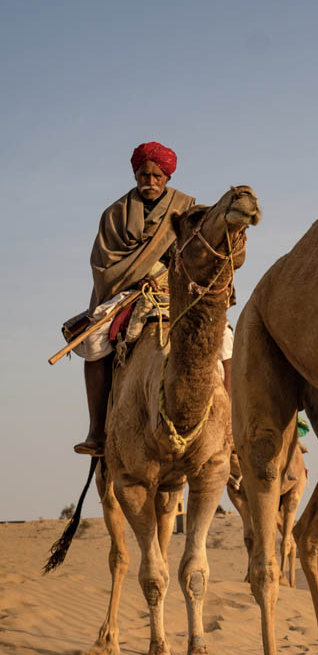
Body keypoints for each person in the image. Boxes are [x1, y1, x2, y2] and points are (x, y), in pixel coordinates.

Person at [72, 141, 220, 456]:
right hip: (127, 292)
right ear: (135, 174)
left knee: (226, 341)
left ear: (167, 176)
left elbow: (197, 255)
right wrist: (139, 278)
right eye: (143, 175)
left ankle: (230, 429)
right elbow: (104, 265)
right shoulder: (114, 215)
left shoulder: (188, 208)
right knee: (94, 341)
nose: (149, 182)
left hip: (176, 289)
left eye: (156, 176)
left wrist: (170, 275)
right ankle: (97, 430)